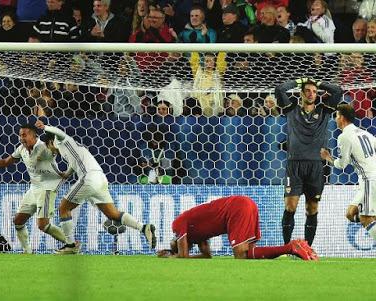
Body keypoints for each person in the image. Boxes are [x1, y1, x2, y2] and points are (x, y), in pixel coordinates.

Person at [35, 120, 157, 254]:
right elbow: (74, 163)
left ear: (50, 142)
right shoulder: (68, 150)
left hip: (89, 178)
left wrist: (45, 127)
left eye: (47, 147)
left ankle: (70, 245)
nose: (49, 151)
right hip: (100, 178)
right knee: (113, 214)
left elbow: (59, 132)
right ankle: (144, 227)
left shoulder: (61, 141)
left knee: (64, 208)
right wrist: (66, 174)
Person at [0, 124, 66, 254]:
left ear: (34, 135)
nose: (21, 138)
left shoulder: (44, 147)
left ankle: (71, 244)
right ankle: (27, 251)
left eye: (24, 135)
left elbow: (54, 151)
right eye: (20, 135)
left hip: (47, 188)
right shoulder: (21, 149)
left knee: (43, 225)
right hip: (34, 188)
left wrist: (56, 148)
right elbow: (6, 162)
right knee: (18, 220)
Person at [275, 78, 343, 246]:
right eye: (307, 91)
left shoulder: (324, 110)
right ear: (301, 93)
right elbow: (280, 89)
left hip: (315, 166)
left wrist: (319, 84)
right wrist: (300, 81)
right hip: (294, 165)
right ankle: (286, 246)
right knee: (290, 206)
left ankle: (307, 248)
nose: (311, 94)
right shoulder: (291, 109)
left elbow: (338, 91)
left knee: (311, 208)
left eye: (314, 91)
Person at [157, 195, 318, 260]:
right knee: (247, 253)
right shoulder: (196, 233)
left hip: (237, 208)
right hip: (244, 204)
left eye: (174, 245)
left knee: (241, 254)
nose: (176, 245)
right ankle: (292, 247)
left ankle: (290, 247)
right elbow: (207, 256)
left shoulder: (177, 224)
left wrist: (169, 256)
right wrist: (176, 254)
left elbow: (183, 256)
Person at [320, 104, 376, 241]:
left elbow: (342, 164)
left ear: (342, 118)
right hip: (368, 180)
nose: (335, 119)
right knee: (351, 214)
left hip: (369, 180)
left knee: (366, 219)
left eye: (336, 116)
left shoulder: (344, 136)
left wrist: (328, 158)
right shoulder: (365, 133)